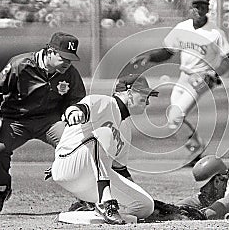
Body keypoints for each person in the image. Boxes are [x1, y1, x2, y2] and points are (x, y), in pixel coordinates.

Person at [0, 32, 86, 215]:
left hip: (50, 122)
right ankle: (1, 189)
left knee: (77, 147)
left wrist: (75, 110)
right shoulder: (20, 64)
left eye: (71, 59)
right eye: (64, 58)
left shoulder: (69, 72)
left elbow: (78, 99)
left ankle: (85, 197)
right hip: (16, 120)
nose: (68, 62)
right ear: (50, 52)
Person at [131, 0, 229, 164]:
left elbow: (228, 58)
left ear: (208, 8)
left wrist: (214, 75)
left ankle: (195, 149)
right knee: (173, 119)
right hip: (183, 76)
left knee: (176, 114)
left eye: (203, 6)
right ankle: (195, 148)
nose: (199, 9)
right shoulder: (182, 28)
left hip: (201, 78)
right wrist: (150, 57)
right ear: (191, 7)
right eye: (196, 5)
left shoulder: (215, 32)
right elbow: (168, 51)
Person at [51, 74, 159, 225]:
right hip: (69, 164)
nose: (147, 101)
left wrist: (139, 193)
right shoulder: (105, 102)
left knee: (145, 206)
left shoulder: (126, 129)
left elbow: (120, 170)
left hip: (90, 179)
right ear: (128, 93)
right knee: (104, 134)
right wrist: (75, 113)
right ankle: (105, 202)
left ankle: (88, 209)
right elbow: (77, 108)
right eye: (144, 94)